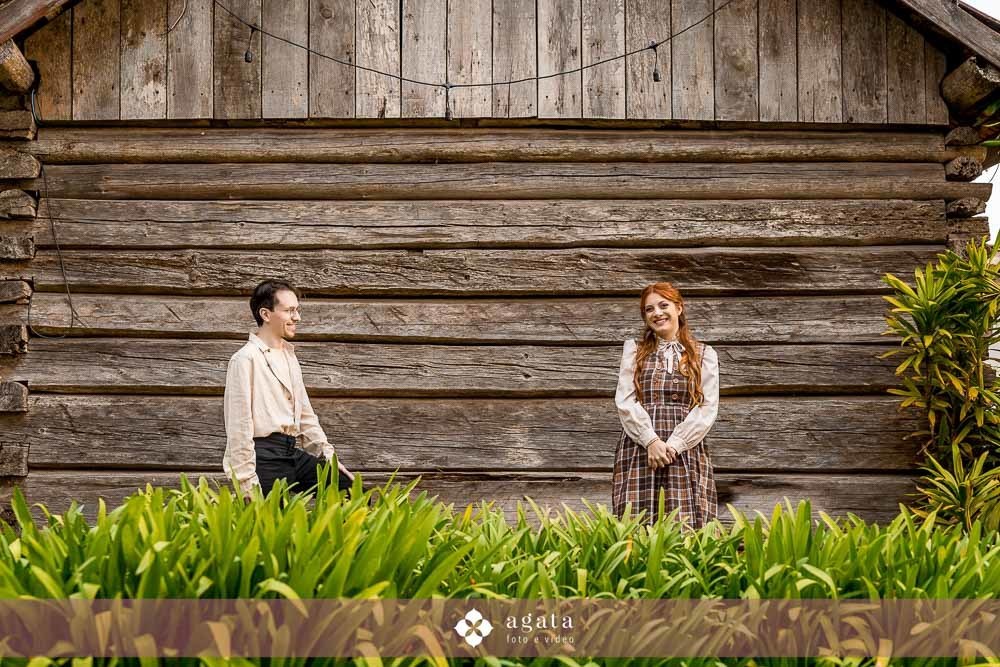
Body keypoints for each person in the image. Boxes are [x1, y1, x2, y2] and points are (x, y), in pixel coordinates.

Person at [223, 279, 355, 501]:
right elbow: (238, 426)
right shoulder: (245, 359)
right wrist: (246, 482)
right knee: (273, 518)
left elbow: (305, 416)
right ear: (266, 314)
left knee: (351, 491)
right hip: (262, 458)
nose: (297, 317)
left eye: (297, 310)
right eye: (289, 310)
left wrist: (329, 457)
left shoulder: (289, 357)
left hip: (291, 452)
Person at [612, 282, 719, 528]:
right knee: (637, 522)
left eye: (663, 305)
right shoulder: (634, 351)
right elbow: (625, 400)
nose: (657, 313)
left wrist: (675, 445)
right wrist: (651, 441)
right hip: (640, 448)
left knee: (686, 523)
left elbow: (707, 406)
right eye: (649, 309)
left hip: (684, 448)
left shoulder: (704, 354)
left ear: (678, 308)